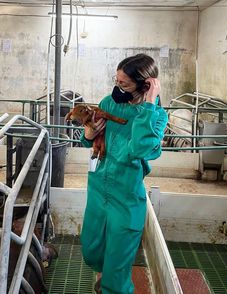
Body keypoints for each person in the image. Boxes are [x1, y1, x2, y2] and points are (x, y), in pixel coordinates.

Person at [80, 53, 168, 294]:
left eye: (124, 84)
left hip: (127, 196)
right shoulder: (110, 103)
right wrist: (88, 134)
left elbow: (142, 149)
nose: (117, 87)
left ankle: (113, 285)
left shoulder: (157, 116)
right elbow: (90, 139)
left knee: (117, 266)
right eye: (116, 80)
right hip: (98, 188)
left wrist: (149, 105)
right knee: (91, 249)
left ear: (145, 85)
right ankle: (106, 275)